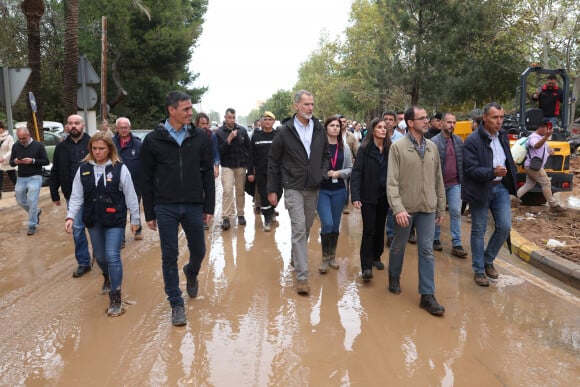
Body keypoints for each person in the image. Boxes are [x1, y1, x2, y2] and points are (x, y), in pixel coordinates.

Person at [141, 90, 215, 326]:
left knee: (199, 250)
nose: (190, 113)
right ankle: (176, 303)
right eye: (185, 109)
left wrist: (209, 205)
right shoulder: (153, 140)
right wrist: (150, 212)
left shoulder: (200, 137)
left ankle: (191, 272)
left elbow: (207, 175)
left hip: (193, 204)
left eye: (190, 108)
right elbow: (146, 177)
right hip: (165, 205)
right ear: (171, 110)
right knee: (169, 255)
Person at [65, 132, 140, 316]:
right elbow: (76, 196)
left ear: (109, 149)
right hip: (93, 218)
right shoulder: (83, 169)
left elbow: (130, 194)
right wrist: (70, 216)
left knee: (112, 254)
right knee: (99, 256)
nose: (97, 152)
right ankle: (107, 276)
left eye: (101, 149)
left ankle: (116, 298)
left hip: (114, 218)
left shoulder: (119, 169)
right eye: (94, 148)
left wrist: (135, 219)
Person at [268, 90, 330, 295]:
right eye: (306, 104)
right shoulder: (285, 131)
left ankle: (296, 257)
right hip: (293, 186)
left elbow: (325, 156)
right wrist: (273, 189)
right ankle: (302, 277)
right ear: (296, 106)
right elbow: (273, 161)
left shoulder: (319, 128)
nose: (310, 108)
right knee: (299, 228)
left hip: (313, 186)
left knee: (308, 225)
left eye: (312, 104)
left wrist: (321, 174)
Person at [387, 106, 446, 316]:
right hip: (406, 209)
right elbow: (391, 183)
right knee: (399, 245)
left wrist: (440, 207)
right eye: (422, 118)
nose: (426, 121)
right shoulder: (398, 147)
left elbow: (439, 179)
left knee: (427, 250)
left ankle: (427, 295)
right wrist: (398, 208)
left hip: (428, 207)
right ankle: (393, 276)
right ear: (411, 123)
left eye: (426, 118)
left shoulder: (432, 147)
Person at [462, 102, 517, 287]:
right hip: (480, 188)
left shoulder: (502, 136)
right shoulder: (472, 140)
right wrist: (492, 172)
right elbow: (470, 169)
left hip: (500, 188)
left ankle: (488, 260)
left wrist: (511, 178)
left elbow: (507, 159)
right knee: (479, 230)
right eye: (495, 117)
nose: (499, 121)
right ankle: (479, 270)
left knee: (504, 226)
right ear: (484, 118)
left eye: (501, 117)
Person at [50, 114, 92, 277]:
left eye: (77, 123)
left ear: (83, 126)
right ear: (66, 126)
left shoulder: (93, 144)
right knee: (77, 228)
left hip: (94, 194)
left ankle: (102, 257)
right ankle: (83, 262)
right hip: (72, 195)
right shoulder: (61, 147)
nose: (73, 126)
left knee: (97, 227)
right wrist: (54, 193)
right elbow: (56, 171)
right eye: (70, 123)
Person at [351, 118, 390, 281]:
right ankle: (366, 266)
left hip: (385, 196)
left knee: (380, 227)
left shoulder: (390, 149)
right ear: (372, 130)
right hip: (368, 196)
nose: (383, 130)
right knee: (369, 230)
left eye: (385, 127)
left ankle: (376, 256)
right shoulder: (364, 149)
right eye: (379, 127)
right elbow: (357, 173)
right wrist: (355, 196)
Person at [317, 116, 353, 273]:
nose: (335, 128)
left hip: (339, 191)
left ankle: (332, 256)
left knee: (335, 224)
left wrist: (338, 173)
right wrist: (324, 174)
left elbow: (351, 168)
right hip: (322, 191)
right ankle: (324, 258)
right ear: (326, 128)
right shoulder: (318, 146)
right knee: (327, 223)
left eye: (337, 126)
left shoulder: (344, 147)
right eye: (331, 125)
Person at [430, 113, 469, 257]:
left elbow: (463, 162)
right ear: (442, 124)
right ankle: (435, 239)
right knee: (437, 212)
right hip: (438, 185)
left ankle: (457, 244)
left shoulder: (459, 141)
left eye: (454, 122)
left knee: (455, 212)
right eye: (449, 122)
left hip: (455, 183)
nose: (451, 125)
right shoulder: (433, 142)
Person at [214, 108, 251, 230]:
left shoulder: (242, 130)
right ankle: (226, 217)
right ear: (225, 117)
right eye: (229, 117)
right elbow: (219, 151)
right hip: (227, 166)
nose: (231, 120)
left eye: (233, 117)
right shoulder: (219, 132)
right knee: (228, 191)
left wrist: (248, 164)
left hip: (241, 166)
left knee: (240, 191)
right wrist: (228, 139)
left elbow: (249, 148)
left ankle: (240, 214)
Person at [516, 122, 564, 212]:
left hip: (533, 165)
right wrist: (546, 137)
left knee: (529, 184)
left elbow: (544, 149)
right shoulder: (533, 137)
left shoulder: (541, 138)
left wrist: (550, 151)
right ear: (541, 127)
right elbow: (536, 146)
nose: (548, 131)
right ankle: (553, 205)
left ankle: (513, 199)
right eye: (547, 129)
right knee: (546, 183)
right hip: (533, 166)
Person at [10, 127, 49, 235]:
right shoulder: (16, 146)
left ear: (29, 134)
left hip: (35, 176)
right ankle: (36, 211)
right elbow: (11, 163)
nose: (22, 140)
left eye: (24, 138)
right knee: (20, 201)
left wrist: (33, 161)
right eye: (19, 138)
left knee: (32, 201)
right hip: (21, 177)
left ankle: (32, 225)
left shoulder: (38, 145)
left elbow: (46, 161)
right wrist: (16, 161)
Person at [247, 111, 280, 232]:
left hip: (277, 173)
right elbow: (251, 155)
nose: (267, 121)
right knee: (264, 195)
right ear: (261, 122)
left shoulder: (278, 135)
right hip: (261, 172)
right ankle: (267, 219)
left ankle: (271, 212)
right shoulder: (256, 136)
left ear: (273, 121)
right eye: (265, 119)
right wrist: (250, 171)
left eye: (270, 119)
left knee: (277, 193)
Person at [113, 117, 143, 241]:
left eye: (126, 127)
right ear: (117, 129)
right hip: (115, 183)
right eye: (121, 127)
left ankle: (138, 230)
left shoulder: (138, 144)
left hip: (136, 182)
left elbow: (145, 163)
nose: (124, 129)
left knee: (134, 205)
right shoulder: (111, 143)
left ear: (129, 128)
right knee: (118, 209)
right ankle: (120, 238)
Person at [338, 114, 358, 215]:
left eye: (344, 121)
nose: (342, 123)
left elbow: (356, 151)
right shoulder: (329, 135)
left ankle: (344, 205)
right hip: (334, 164)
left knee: (346, 185)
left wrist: (355, 160)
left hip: (347, 165)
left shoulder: (351, 136)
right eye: (340, 121)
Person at [0, 121, 17, 199]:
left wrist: (4, 157)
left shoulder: (9, 137)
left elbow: (11, 150)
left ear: (2, 128)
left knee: (13, 177)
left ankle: (18, 191)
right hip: (0, 162)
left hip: (7, 161)